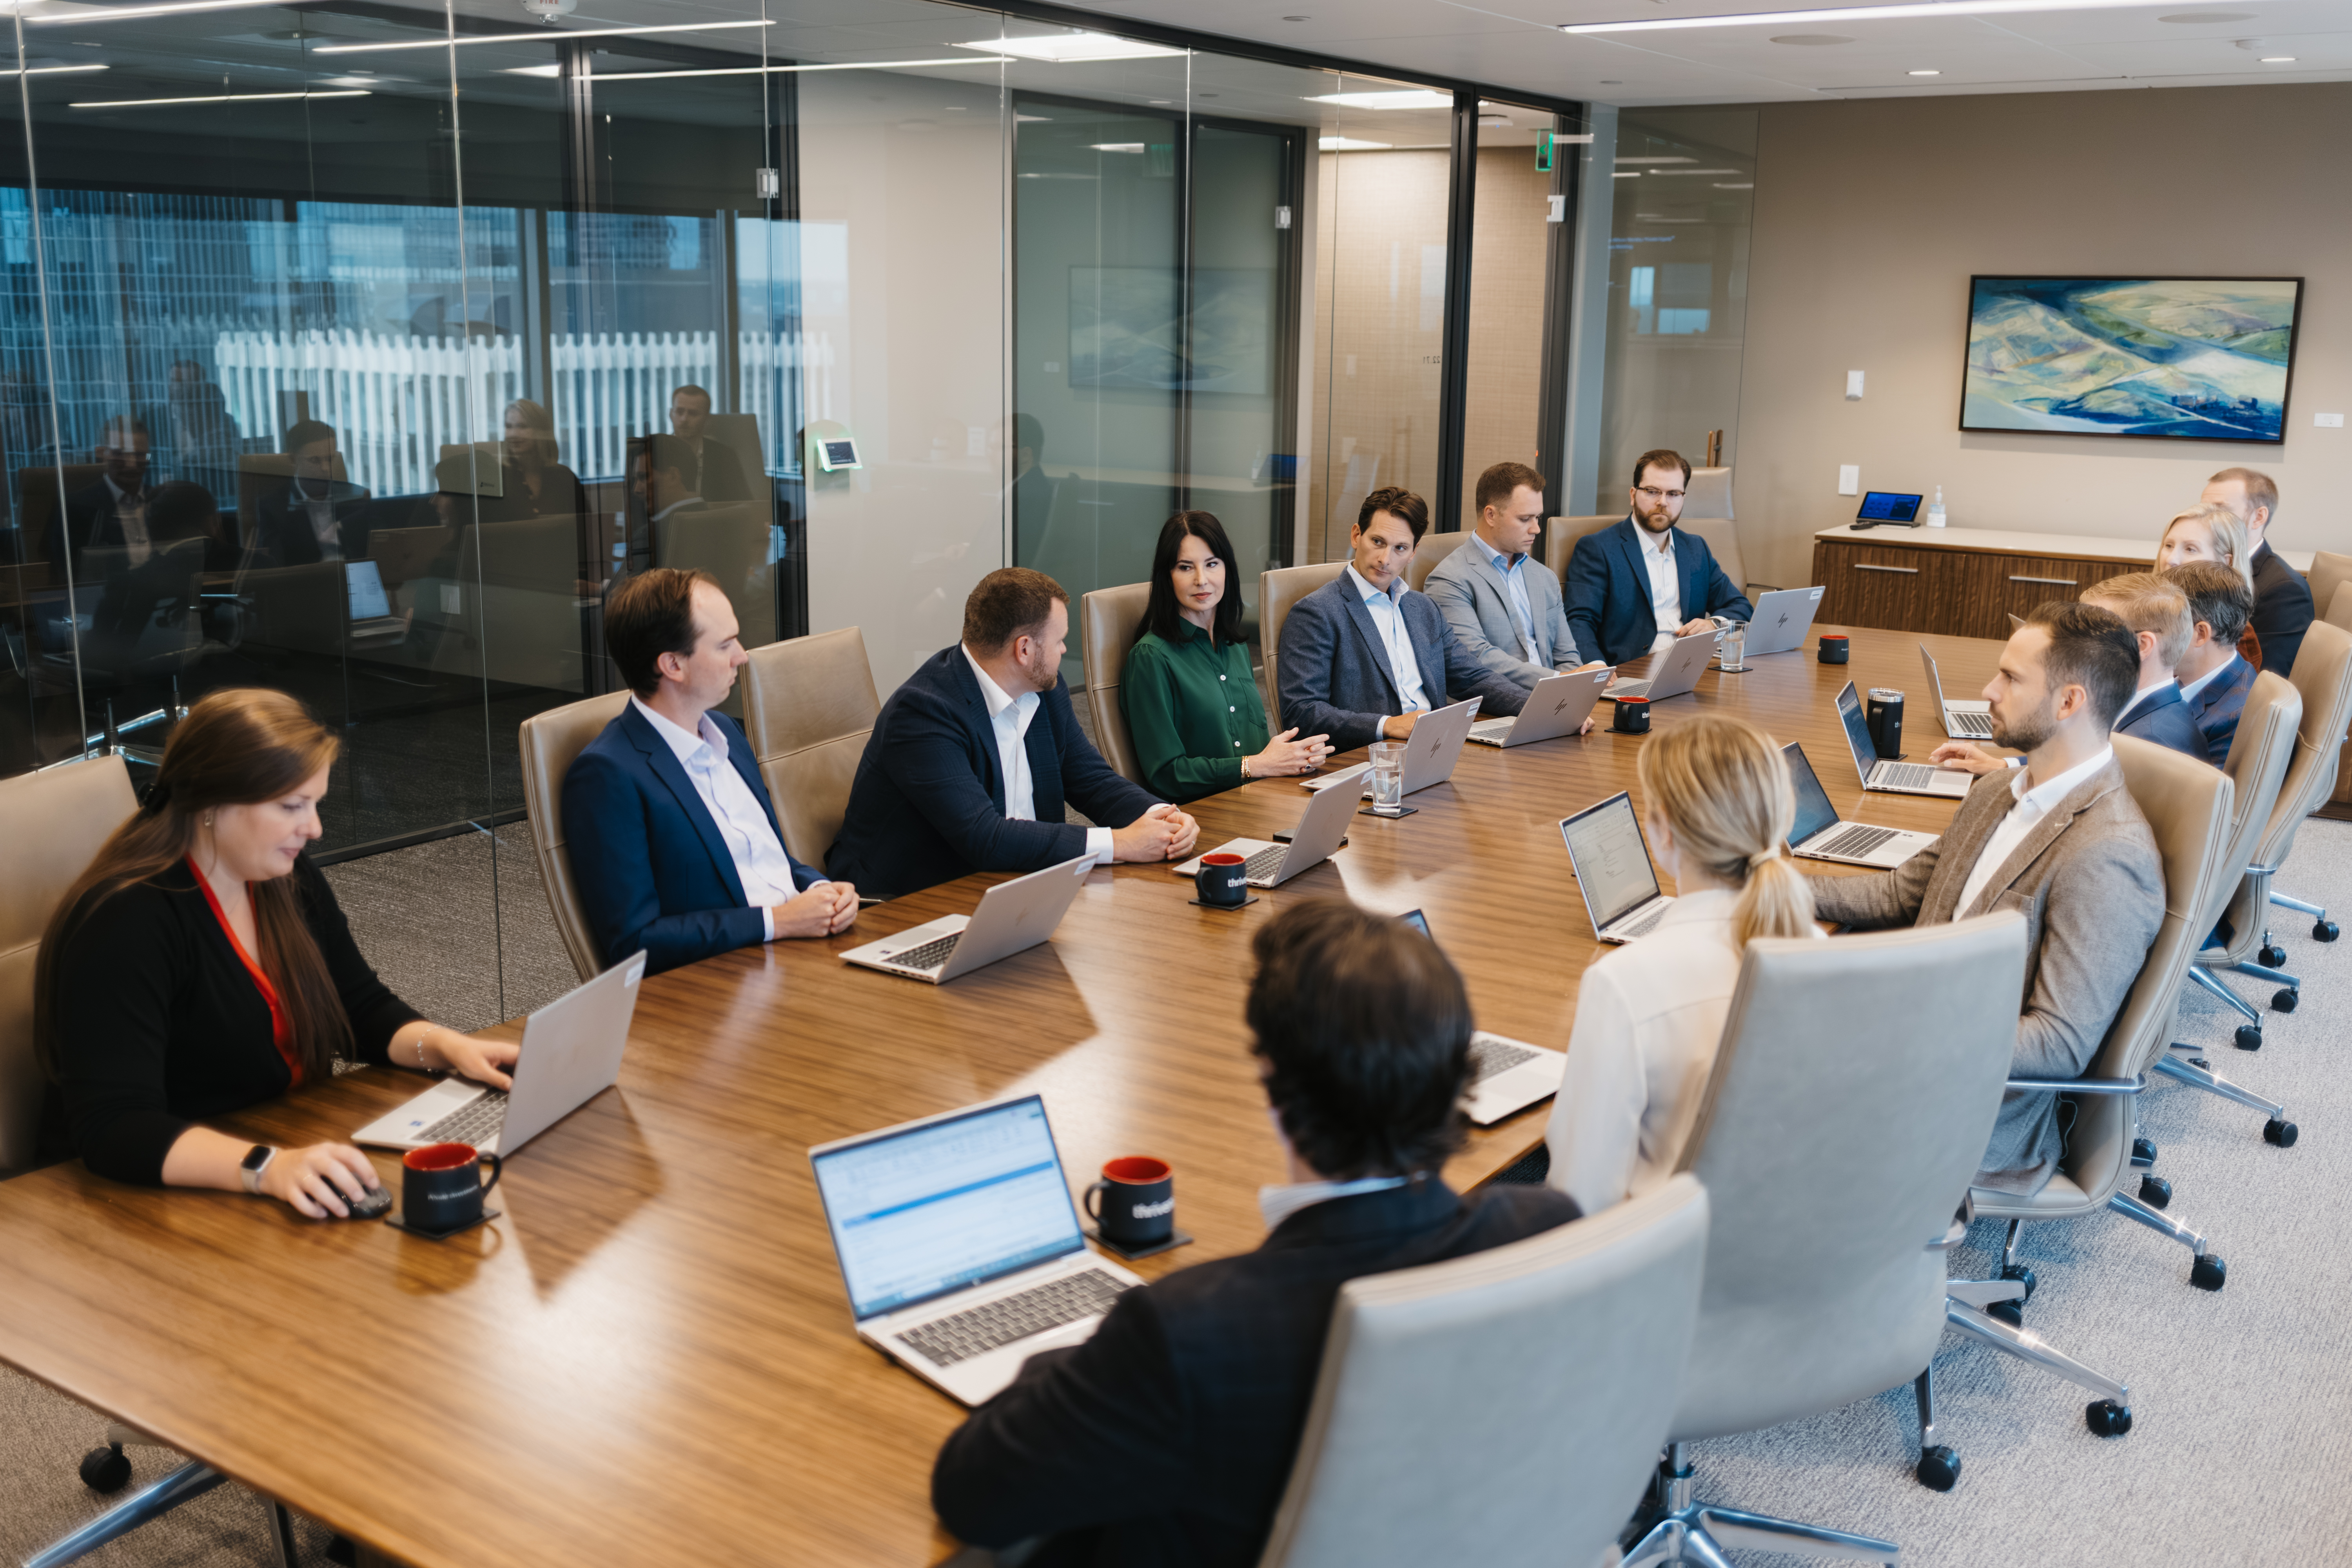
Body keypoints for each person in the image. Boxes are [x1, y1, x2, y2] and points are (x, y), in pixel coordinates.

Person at [931, 899, 1580, 1568]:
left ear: (1273, 1088)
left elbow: (971, 1492)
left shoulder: (1187, 1333)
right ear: (1457, 1076)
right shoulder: (1548, 1231)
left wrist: (1072, 1358)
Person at [33, 689, 513, 1213]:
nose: (314, 829)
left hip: (279, 1143)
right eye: (291, 807)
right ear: (211, 802)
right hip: (146, 1199)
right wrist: (269, 1167)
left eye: (315, 804)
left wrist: (447, 1048)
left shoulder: (283, 877)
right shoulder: (128, 919)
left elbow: (361, 1007)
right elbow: (114, 1127)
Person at [1809, 603, 2163, 1196]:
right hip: (1913, 1033)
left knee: (1728, 1085)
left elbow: (2058, 1042)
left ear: (2069, 702)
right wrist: (1777, 887)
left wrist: (1899, 1032)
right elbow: (1906, 890)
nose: (1988, 691)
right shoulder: (2002, 788)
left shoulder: (2107, 855)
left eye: (2011, 678)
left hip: (1971, 1112)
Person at [1546, 715, 1818, 1214]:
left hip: (1672, 1266)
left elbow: (1579, 1196)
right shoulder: (1815, 947)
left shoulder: (1623, 983)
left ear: (1664, 832)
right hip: (1800, 1245)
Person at [827, 567, 1199, 900]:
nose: (1065, 650)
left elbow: (1089, 777)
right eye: (1059, 641)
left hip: (1014, 885)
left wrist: (1162, 816)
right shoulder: (923, 714)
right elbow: (983, 837)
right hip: (910, 902)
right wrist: (1120, 843)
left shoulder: (1042, 686)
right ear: (1024, 649)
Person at [564, 567, 855, 975]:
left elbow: (766, 860)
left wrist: (821, 889)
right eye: (725, 645)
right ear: (672, 665)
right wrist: (779, 922)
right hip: (730, 985)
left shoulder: (729, 736)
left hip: (804, 953)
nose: (743, 655)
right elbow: (635, 943)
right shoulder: (608, 775)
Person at [1274, 486, 1529, 752]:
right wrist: (1388, 725)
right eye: (1377, 542)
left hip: (1436, 751)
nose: (1386, 559)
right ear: (1356, 536)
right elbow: (1302, 713)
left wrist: (1539, 707)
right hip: (1369, 759)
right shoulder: (1317, 612)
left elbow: (1473, 679)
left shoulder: (1423, 608)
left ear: (1414, 552)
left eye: (1400, 548)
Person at [1121, 510, 1331, 802]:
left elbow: (1254, 752)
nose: (1201, 580)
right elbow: (1167, 775)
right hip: (1206, 813)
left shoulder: (1234, 645)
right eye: (1185, 567)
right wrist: (1254, 766)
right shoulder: (1151, 658)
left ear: (1227, 570)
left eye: (1211, 564)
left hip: (1258, 798)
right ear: (1166, 576)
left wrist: (1291, 757)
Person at [1931, 573, 2206, 771]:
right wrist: (2004, 765)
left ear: (2141, 645)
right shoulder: (2138, 708)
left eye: (2093, 630)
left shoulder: (2154, 741)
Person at [1423, 460, 1599, 708]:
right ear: (1491, 515)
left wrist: (1572, 688)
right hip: (1494, 709)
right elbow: (1478, 659)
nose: (1536, 529)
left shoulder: (1544, 577)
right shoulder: (1450, 579)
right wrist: (1559, 680)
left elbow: (1567, 655)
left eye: (1538, 517)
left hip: (1556, 703)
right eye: (1525, 519)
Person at [1564, 447, 1751, 667]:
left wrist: (1714, 624)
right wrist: (1596, 669)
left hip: (1690, 668)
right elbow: (1579, 621)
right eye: (1653, 491)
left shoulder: (1695, 548)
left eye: (1673, 494)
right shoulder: (1598, 549)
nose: (1663, 502)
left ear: (1683, 498)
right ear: (1633, 495)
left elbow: (1739, 605)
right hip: (1632, 672)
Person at [2201, 466, 2313, 676]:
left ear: (2259, 517)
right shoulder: (2203, 568)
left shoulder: (2284, 591)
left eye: (2220, 510)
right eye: (2204, 510)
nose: (2206, 521)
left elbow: (2267, 680)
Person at [2166, 561, 2260, 768]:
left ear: (2200, 634)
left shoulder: (2235, 719)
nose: (2152, 639)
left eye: (2162, 625)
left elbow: (2201, 798)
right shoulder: (2184, 677)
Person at [252, 419, 372, 567]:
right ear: (293, 459)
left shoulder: (358, 497)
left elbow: (375, 552)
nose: (326, 468)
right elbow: (277, 567)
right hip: (307, 584)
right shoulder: (274, 507)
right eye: (315, 460)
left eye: (330, 459)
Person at [51, 415, 154, 575]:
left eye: (140, 455)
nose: (132, 464)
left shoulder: (160, 500)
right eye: (120, 454)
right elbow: (70, 575)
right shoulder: (76, 508)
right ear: (102, 454)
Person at [494, 397, 588, 525]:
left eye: (522, 427)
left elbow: (587, 529)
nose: (513, 434)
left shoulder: (564, 478)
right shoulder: (498, 479)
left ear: (540, 431)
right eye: (509, 427)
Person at [668, 384, 750, 503]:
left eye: (693, 414)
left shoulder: (725, 456)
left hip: (713, 520)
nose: (684, 419)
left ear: (707, 420)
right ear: (671, 414)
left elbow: (744, 505)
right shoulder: (656, 453)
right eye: (680, 412)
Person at [633, 432, 708, 529]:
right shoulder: (719, 523)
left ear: (673, 476)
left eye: (643, 477)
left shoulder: (648, 536)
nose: (636, 490)